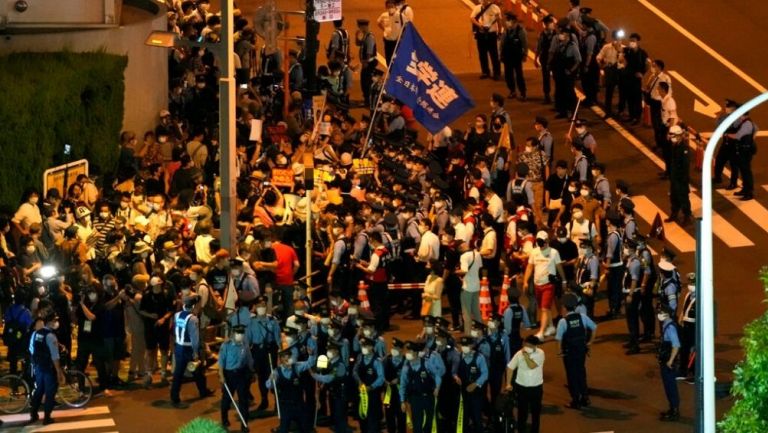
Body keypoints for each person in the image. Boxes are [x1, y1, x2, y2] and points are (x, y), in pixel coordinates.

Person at [522, 231, 567, 340]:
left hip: (549, 284)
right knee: (543, 308)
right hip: (537, 284)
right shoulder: (534, 252)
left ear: (547, 241)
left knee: (544, 308)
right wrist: (525, 281)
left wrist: (564, 281)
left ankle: (541, 332)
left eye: (542, 242)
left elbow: (559, 267)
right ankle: (551, 326)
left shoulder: (554, 253)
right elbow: (530, 267)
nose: (541, 244)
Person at [555, 293, 597, 410]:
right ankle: (585, 397)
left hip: (569, 353)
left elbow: (559, 339)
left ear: (564, 307)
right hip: (581, 351)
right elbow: (594, 328)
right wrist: (590, 342)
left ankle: (575, 400)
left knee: (571, 376)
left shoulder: (563, 322)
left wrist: (559, 352)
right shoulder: (582, 317)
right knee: (581, 373)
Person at [170, 294, 213, 407]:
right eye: (198, 305)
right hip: (188, 348)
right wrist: (195, 353)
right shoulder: (193, 319)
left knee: (180, 373)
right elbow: (195, 338)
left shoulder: (177, 315)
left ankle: (177, 396)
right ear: (194, 305)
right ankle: (201, 391)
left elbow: (174, 331)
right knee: (196, 370)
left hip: (179, 346)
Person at [28, 313, 66, 425]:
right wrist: (59, 371)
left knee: (39, 390)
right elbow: (55, 356)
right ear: (49, 322)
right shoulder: (50, 336)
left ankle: (33, 414)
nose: (56, 323)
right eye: (55, 320)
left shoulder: (37, 333)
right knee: (50, 392)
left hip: (39, 366)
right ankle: (47, 418)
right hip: (49, 368)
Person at [268, 348, 316, 433]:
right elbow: (268, 385)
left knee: (305, 428)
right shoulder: (276, 372)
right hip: (286, 406)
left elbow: (310, 363)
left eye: (288, 357)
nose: (286, 359)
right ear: (281, 359)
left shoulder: (297, 367)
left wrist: (311, 355)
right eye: (284, 357)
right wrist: (271, 380)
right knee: (283, 429)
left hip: (299, 405)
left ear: (291, 357)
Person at [399, 341, 441, 433]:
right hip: (415, 399)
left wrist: (437, 387)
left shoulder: (426, 364)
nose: (407, 353)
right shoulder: (406, 368)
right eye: (407, 351)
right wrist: (402, 401)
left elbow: (437, 375)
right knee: (417, 424)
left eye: (409, 351)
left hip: (428, 397)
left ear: (415, 352)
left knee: (429, 423)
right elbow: (403, 385)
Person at [506, 335, 544, 433]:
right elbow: (510, 368)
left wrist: (526, 357)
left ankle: (535, 430)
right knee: (522, 412)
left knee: (536, 412)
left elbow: (532, 366)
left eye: (530, 346)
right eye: (525, 345)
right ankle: (521, 430)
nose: (527, 347)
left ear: (535, 346)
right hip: (521, 387)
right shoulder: (519, 354)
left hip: (536, 388)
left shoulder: (540, 353)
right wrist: (508, 383)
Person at [248, 295, 280, 412]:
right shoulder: (251, 322)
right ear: (255, 307)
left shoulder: (272, 320)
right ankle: (264, 400)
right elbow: (248, 340)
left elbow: (278, 338)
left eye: (263, 305)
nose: (261, 307)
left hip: (270, 351)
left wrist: (280, 351)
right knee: (261, 377)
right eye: (259, 305)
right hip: (257, 351)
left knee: (273, 376)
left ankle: (277, 402)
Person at [219, 324, 253, 433]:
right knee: (227, 400)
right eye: (238, 333)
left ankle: (244, 423)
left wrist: (252, 372)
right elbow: (221, 362)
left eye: (242, 333)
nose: (240, 335)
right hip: (229, 375)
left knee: (243, 400)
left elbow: (249, 359)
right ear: (233, 334)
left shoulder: (245, 344)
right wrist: (221, 376)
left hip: (242, 374)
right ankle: (224, 418)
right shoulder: (226, 345)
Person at [354, 337, 385, 433]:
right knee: (362, 418)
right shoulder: (360, 357)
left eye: (365, 346)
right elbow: (354, 371)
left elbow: (381, 378)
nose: (363, 348)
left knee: (373, 419)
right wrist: (359, 381)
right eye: (362, 346)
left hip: (372, 394)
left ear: (371, 347)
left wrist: (371, 387)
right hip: (361, 392)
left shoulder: (377, 361)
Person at [457, 336, 488, 433]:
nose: (464, 347)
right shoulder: (458, 356)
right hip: (463, 393)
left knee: (476, 416)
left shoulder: (479, 357)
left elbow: (485, 373)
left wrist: (475, 384)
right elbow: (454, 371)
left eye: (466, 345)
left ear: (472, 345)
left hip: (476, 393)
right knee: (464, 417)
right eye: (462, 345)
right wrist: (455, 377)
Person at [664, 126, 693, 224]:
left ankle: (687, 215)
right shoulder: (675, 145)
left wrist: (683, 179)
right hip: (674, 177)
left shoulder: (684, 148)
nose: (670, 137)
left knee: (683, 197)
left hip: (681, 178)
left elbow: (685, 166)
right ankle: (674, 213)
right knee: (674, 196)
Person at [727, 109, 758, 201]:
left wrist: (727, 135)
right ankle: (745, 189)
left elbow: (738, 136)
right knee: (744, 171)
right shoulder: (747, 122)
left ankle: (749, 192)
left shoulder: (747, 124)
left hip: (745, 151)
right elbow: (756, 129)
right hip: (745, 150)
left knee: (746, 171)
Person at [657, 305, 681, 421]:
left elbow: (676, 345)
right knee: (668, 386)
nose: (659, 314)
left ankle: (675, 410)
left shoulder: (670, 327)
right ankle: (672, 408)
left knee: (670, 386)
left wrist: (670, 361)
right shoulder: (666, 325)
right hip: (665, 360)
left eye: (661, 312)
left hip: (668, 362)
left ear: (666, 314)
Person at [470, 0, 502, 80]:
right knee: (482, 54)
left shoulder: (495, 8)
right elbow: (472, 18)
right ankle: (485, 72)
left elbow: (499, 21)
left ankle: (497, 73)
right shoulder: (477, 8)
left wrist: (500, 32)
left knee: (494, 54)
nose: (484, 1)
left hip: (492, 34)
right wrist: (479, 25)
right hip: (481, 34)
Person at [456, 239, 483, 335]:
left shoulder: (463, 256)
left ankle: (468, 335)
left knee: (466, 314)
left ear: (460, 248)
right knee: (477, 312)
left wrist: (456, 272)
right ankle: (480, 333)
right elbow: (480, 268)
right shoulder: (477, 254)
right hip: (476, 286)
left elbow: (464, 270)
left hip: (467, 287)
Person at [622, 238, 642, 355]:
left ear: (632, 249)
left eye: (626, 247)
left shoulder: (635, 262)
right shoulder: (630, 260)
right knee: (629, 318)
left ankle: (635, 345)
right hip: (627, 291)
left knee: (633, 319)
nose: (625, 249)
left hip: (632, 293)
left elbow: (634, 280)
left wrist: (630, 294)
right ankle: (632, 340)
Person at [500, 13, 527, 100]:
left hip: (516, 57)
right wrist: (501, 54)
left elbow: (525, 44)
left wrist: (525, 55)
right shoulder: (506, 31)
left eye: (508, 21)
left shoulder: (520, 31)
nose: (507, 22)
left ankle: (523, 93)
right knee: (508, 75)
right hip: (507, 56)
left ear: (513, 21)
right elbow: (502, 43)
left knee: (519, 75)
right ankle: (512, 91)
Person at [623, 33, 648, 124]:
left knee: (636, 98)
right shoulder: (627, 51)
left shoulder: (642, 53)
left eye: (633, 41)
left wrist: (642, 74)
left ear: (637, 41)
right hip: (627, 77)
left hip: (636, 80)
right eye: (630, 41)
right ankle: (631, 115)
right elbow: (620, 53)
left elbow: (646, 66)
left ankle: (637, 117)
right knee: (629, 98)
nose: (631, 42)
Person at [383, 338, 407, 433]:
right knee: (389, 415)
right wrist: (384, 381)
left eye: (396, 347)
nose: (393, 349)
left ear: (401, 349)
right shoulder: (386, 360)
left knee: (401, 415)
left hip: (400, 394)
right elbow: (381, 374)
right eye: (393, 347)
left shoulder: (406, 361)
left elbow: (409, 376)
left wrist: (399, 379)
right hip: (388, 393)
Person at [677, 272, 696, 381]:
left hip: (694, 326)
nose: (691, 285)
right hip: (686, 325)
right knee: (684, 348)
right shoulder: (689, 294)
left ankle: (693, 373)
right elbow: (685, 308)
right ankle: (682, 370)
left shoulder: (701, 297)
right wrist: (681, 318)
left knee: (694, 350)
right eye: (690, 282)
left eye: (693, 283)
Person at [535, 15, 556, 104]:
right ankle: (547, 95)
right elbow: (539, 47)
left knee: (557, 78)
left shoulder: (557, 34)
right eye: (549, 23)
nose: (551, 25)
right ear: (546, 25)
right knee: (546, 78)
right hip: (545, 59)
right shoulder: (542, 35)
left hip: (555, 59)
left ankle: (557, 95)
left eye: (551, 23)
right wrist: (536, 58)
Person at [357, 19, 378, 107]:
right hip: (367, 62)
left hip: (369, 63)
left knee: (366, 82)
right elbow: (359, 43)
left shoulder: (369, 37)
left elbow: (369, 51)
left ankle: (368, 101)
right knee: (364, 81)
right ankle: (367, 100)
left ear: (364, 26)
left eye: (361, 26)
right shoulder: (365, 35)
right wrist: (356, 36)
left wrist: (366, 62)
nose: (360, 28)